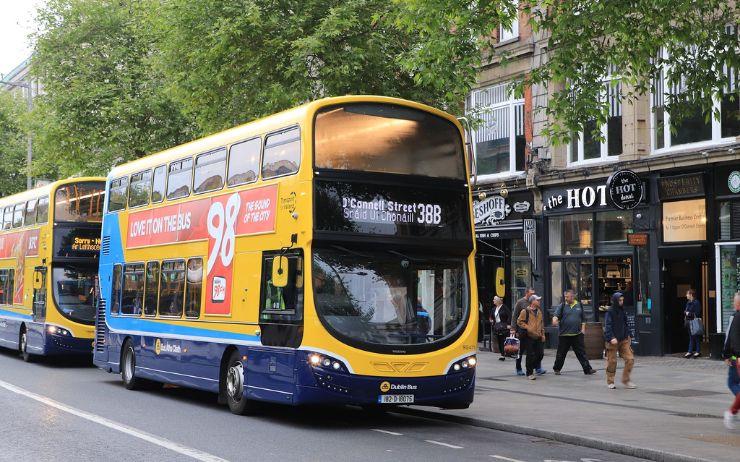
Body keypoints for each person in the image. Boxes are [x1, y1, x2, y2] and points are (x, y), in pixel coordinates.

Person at [552, 289, 596, 375]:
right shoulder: (562, 305)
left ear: (572, 296)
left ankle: (587, 370)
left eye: (567, 297)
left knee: (582, 353)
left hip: (577, 334)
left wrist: (583, 329)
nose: (566, 298)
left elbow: (583, 318)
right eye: (565, 297)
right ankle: (557, 369)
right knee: (561, 353)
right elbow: (555, 316)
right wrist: (554, 320)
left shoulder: (579, 305)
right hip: (564, 335)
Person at [604, 292, 636, 389]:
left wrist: (630, 334)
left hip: (623, 339)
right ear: (615, 300)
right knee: (612, 361)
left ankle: (626, 380)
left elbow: (625, 324)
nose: (622, 302)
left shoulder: (623, 310)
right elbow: (608, 326)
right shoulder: (610, 312)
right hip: (612, 341)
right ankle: (610, 381)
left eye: (622, 300)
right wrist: (611, 337)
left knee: (630, 359)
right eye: (620, 300)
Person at [722, 292, 740, 430]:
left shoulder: (735, 317)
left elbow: (730, 337)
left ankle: (731, 412)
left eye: (734, 302)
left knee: (732, 382)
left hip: (737, 358)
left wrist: (726, 354)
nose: (733, 304)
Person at [517, 294, 545, 380]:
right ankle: (529, 373)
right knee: (530, 354)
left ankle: (531, 367)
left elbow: (541, 323)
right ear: (532, 301)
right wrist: (528, 328)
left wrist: (543, 334)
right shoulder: (525, 311)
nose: (539, 302)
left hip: (538, 336)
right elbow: (519, 322)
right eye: (538, 300)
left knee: (540, 354)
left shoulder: (539, 311)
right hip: (528, 336)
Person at [512, 288, 536, 375]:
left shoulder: (534, 302)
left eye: (534, 293)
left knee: (532, 350)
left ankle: (536, 367)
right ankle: (518, 368)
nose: (533, 295)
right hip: (521, 330)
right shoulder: (520, 302)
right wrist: (513, 328)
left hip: (532, 331)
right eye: (531, 293)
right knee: (520, 350)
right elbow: (515, 316)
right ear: (526, 293)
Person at [489, 296, 512, 361]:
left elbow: (509, 316)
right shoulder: (494, 309)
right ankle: (502, 354)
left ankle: (506, 353)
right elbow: (491, 316)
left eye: (494, 299)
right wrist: (491, 320)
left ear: (498, 300)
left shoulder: (504, 307)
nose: (493, 300)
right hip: (497, 327)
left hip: (504, 326)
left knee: (504, 340)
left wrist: (509, 324)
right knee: (499, 340)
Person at [684, 289, 702, 358]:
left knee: (696, 337)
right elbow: (685, 311)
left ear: (691, 295)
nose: (686, 295)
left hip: (694, 322)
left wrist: (689, 313)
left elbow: (697, 313)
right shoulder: (688, 302)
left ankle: (698, 351)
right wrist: (686, 313)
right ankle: (690, 351)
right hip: (688, 322)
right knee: (691, 337)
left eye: (687, 294)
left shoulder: (696, 302)